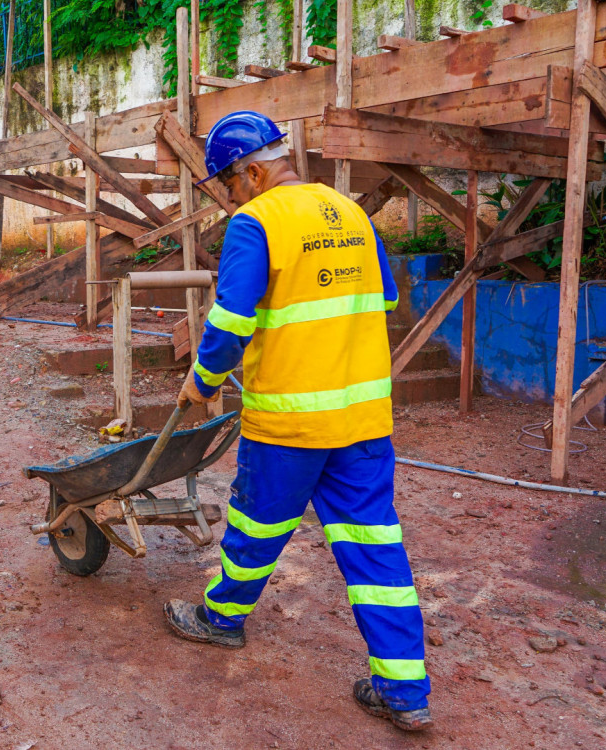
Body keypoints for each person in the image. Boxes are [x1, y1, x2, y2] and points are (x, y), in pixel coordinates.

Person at [162, 111, 432, 732]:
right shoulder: (350, 213)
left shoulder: (257, 223)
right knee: (376, 549)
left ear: (253, 172)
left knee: (256, 526)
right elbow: (383, 298)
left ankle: (222, 620)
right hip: (363, 421)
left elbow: (230, 325)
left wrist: (203, 382)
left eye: (229, 186)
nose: (230, 199)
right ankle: (406, 691)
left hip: (290, 422)